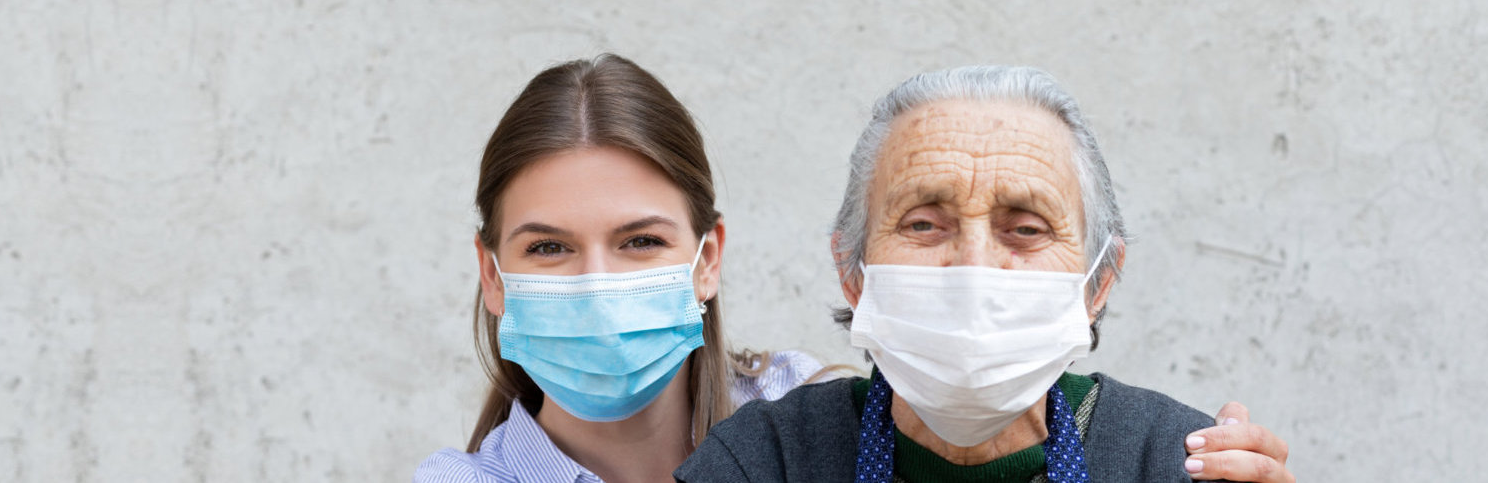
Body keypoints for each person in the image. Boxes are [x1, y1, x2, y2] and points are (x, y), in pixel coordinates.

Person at [675, 66, 1295, 482]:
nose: (973, 266)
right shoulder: (765, 462)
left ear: (1098, 282)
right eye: (923, 224)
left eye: (1025, 229)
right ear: (852, 272)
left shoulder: (1171, 461)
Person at [412, 54, 830, 483]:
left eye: (641, 241)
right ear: (492, 276)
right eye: (549, 247)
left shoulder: (808, 410)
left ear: (707, 261)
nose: (598, 290)